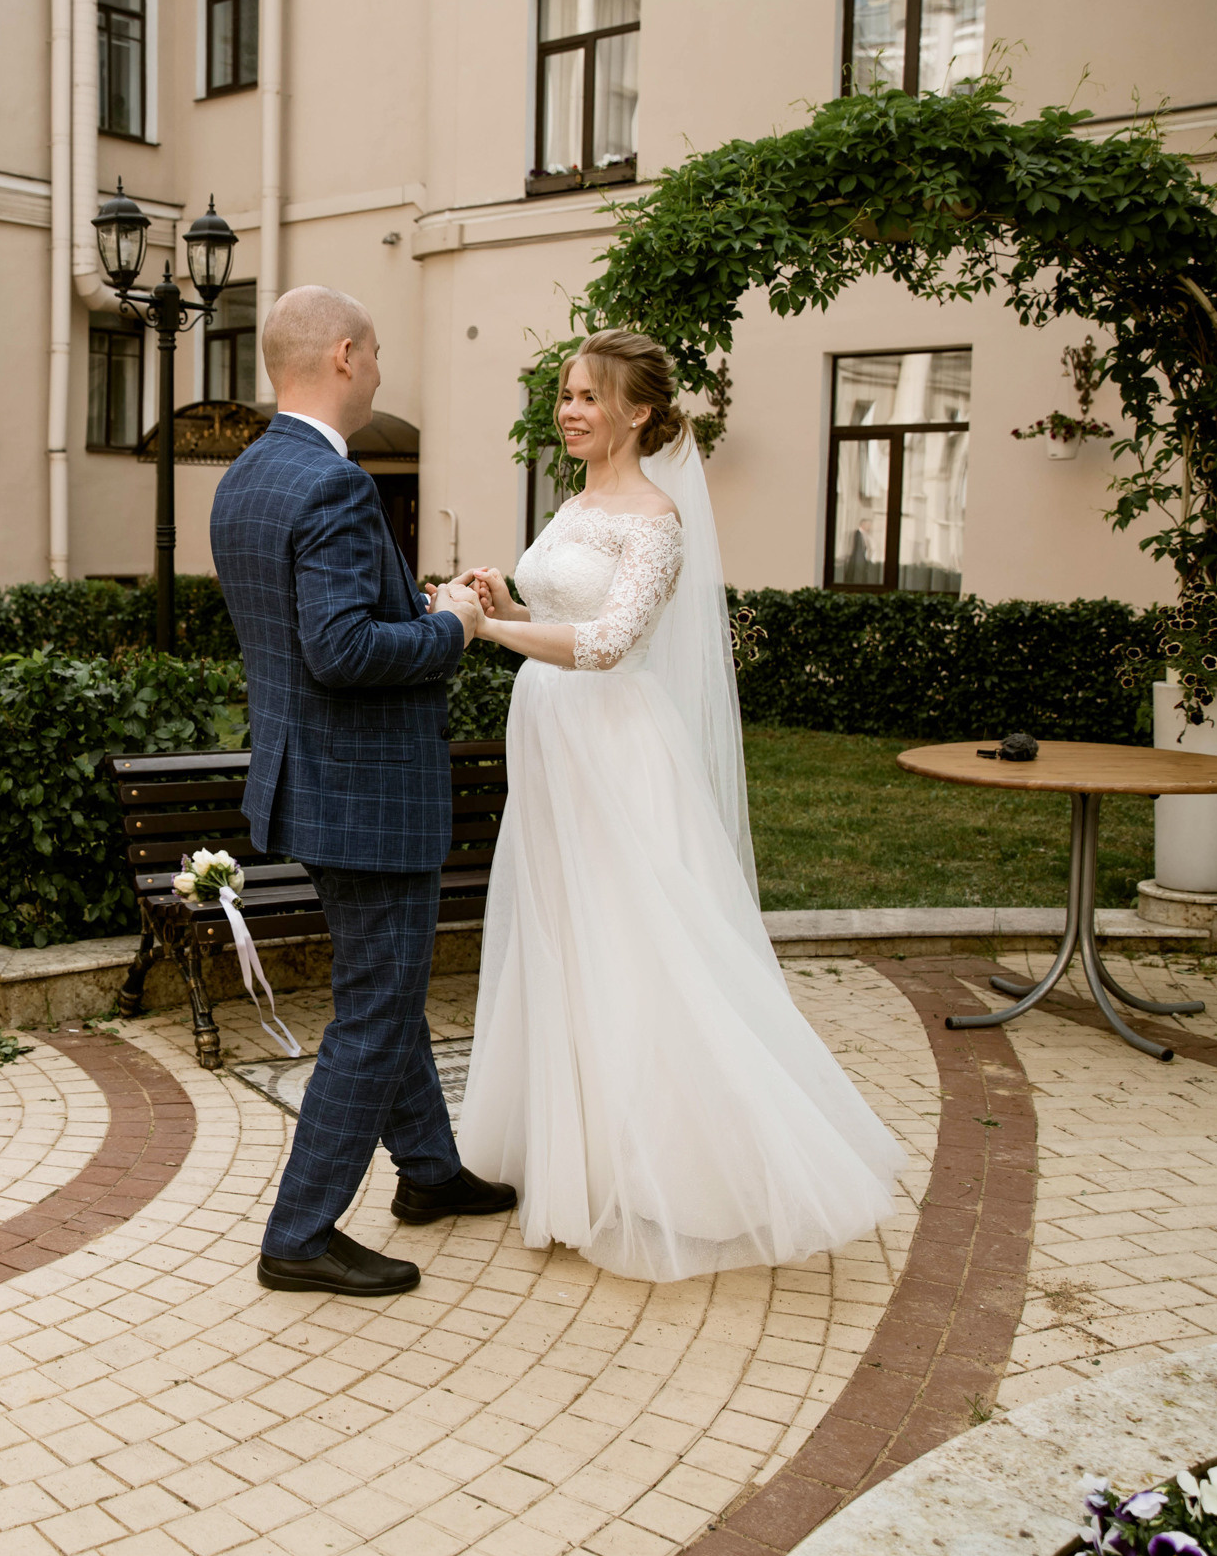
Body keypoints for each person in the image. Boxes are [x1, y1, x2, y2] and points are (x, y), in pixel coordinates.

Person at [451, 329, 903, 1283]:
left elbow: (611, 643)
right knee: (561, 935)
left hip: (614, 750)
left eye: (585, 396)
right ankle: (568, 1161)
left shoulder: (656, 519)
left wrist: (491, 628)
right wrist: (505, 596)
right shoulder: (575, 500)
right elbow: (560, 614)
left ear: (639, 410)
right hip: (552, 741)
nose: (568, 410)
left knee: (633, 943)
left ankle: (675, 1174)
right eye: (565, 394)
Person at [209, 285, 519, 1298]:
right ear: (341, 355)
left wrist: (418, 604)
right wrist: (454, 627)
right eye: (376, 351)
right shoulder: (332, 486)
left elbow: (308, 636)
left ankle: (428, 1173)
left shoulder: (249, 475)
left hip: (311, 781)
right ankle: (299, 1233)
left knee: (383, 995)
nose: (383, 369)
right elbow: (340, 650)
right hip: (369, 793)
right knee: (376, 1013)